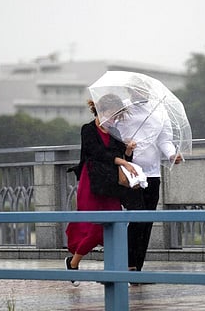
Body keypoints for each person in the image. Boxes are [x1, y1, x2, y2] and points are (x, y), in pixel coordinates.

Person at [65, 94, 137, 286]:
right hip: (92, 184)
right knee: (95, 228)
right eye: (114, 114)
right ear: (102, 110)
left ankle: (111, 271)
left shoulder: (115, 132)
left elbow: (123, 159)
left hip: (110, 186)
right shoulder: (88, 129)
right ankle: (73, 263)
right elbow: (96, 153)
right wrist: (121, 159)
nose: (116, 118)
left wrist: (128, 151)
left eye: (118, 115)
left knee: (115, 226)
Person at [115, 87, 182, 276]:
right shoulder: (123, 109)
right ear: (129, 89)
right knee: (136, 219)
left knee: (147, 222)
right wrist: (124, 144)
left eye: (143, 89)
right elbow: (113, 136)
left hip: (152, 174)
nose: (139, 92)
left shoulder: (159, 110)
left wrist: (171, 155)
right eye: (135, 89)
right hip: (130, 173)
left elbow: (165, 140)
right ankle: (128, 265)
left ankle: (138, 268)